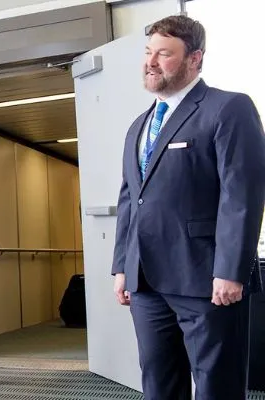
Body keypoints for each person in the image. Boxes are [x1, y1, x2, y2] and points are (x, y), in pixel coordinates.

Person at [111, 15, 265, 400]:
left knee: (216, 385)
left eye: (164, 54)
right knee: (159, 385)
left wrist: (231, 271)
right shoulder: (138, 125)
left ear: (195, 59)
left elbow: (241, 194)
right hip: (146, 280)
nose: (150, 62)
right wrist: (122, 266)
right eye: (148, 52)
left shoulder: (228, 108)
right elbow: (131, 199)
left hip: (206, 278)